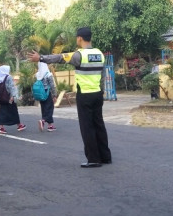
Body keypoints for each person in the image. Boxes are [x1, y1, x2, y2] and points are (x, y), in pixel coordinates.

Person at [28, 27, 112, 168]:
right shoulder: (99, 54)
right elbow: (102, 76)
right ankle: (105, 156)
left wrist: (41, 58)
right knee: (99, 125)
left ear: (79, 38)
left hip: (85, 95)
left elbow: (61, 58)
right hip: (97, 94)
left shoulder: (79, 55)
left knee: (87, 127)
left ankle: (93, 159)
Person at [0, 65, 26, 134]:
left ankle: (1, 127)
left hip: (2, 98)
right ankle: (19, 125)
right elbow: (11, 87)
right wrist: (13, 96)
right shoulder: (8, 77)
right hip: (9, 97)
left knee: (3, 112)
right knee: (14, 111)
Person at [35, 62, 57, 132]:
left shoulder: (38, 74)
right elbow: (52, 86)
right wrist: (54, 95)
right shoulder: (48, 74)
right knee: (50, 108)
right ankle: (43, 120)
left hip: (41, 94)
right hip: (47, 93)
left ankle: (50, 126)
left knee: (44, 108)